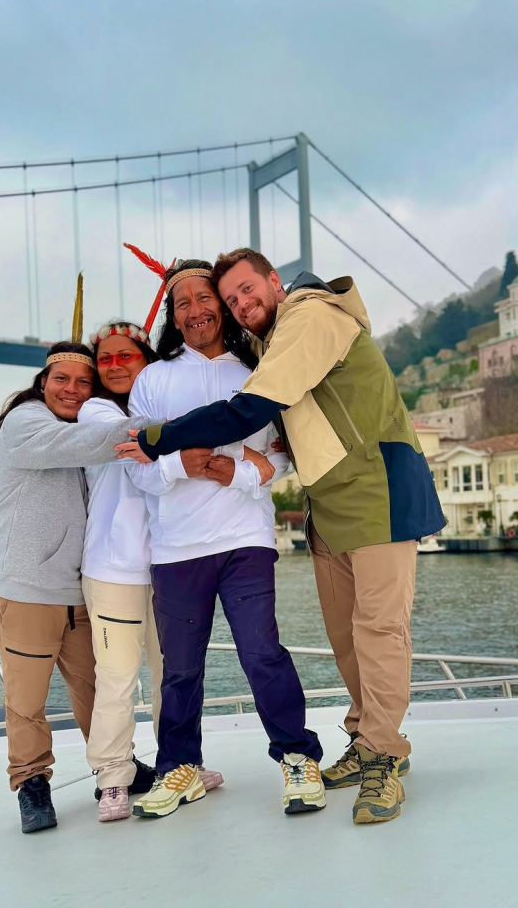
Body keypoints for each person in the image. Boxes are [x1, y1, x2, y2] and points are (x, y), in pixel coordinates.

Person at [117, 248, 446, 825]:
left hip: (378, 489)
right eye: (233, 298)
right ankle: (365, 736)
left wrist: (159, 440)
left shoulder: (310, 317)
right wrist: (189, 462)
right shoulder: (265, 345)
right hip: (328, 505)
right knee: (346, 637)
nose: (241, 304)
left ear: (275, 280)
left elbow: (249, 415)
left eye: (246, 290)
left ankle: (383, 756)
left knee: (377, 632)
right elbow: (287, 444)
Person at [122, 259, 325, 821]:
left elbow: (283, 454)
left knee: (262, 653)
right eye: (181, 303)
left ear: (223, 305)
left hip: (245, 537)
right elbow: (135, 466)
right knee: (180, 669)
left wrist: (240, 473)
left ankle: (297, 757)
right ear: (172, 316)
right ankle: (180, 766)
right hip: (177, 547)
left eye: (205, 297)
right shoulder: (152, 380)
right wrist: (179, 464)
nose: (195, 310)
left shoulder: (258, 370)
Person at [0, 340, 154, 834]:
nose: (73, 390)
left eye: (84, 382)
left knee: (97, 689)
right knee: (27, 701)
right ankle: (32, 783)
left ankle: (115, 770)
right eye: (62, 379)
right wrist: (170, 426)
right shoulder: (25, 423)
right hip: (28, 589)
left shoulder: (76, 427)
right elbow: (86, 444)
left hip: (79, 589)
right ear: (43, 383)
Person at [78, 321, 164, 822]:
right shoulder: (96, 411)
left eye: (125, 355)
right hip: (113, 569)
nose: (114, 365)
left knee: (173, 674)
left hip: (171, 562)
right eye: (105, 358)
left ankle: (181, 763)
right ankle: (113, 777)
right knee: (116, 677)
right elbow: (133, 434)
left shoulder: (160, 402)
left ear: (145, 360)